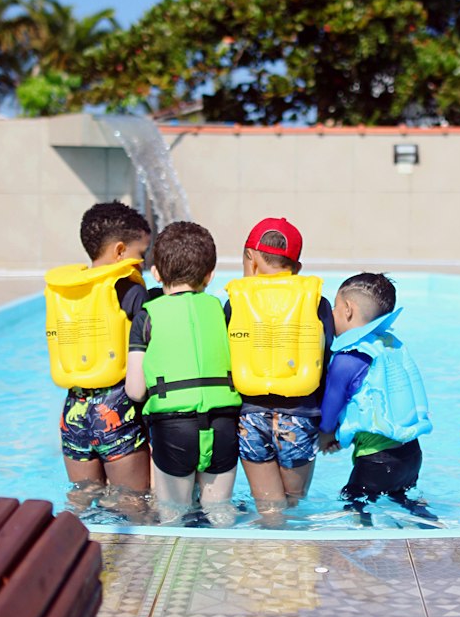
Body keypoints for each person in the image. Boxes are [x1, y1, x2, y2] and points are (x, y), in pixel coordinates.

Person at [125, 221, 241, 524]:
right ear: (210, 275)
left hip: (173, 429)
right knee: (220, 514)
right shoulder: (220, 309)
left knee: (172, 517)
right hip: (223, 424)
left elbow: (135, 390)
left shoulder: (147, 317)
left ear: (156, 274)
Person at [225, 217, 335, 515]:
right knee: (293, 504)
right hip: (300, 416)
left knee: (268, 507)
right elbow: (325, 364)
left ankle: (265, 556)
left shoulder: (236, 301)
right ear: (297, 266)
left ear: (253, 257)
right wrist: (328, 425)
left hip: (251, 415)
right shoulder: (317, 303)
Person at [45, 200, 152, 502]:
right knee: (133, 503)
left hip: (73, 411)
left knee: (82, 500)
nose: (142, 262)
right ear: (119, 251)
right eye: (140, 253)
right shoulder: (128, 289)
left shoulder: (66, 292)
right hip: (116, 408)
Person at [318, 271, 434, 518]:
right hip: (411, 454)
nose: (333, 316)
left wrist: (325, 435)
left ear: (347, 309)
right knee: (405, 502)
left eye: (336, 308)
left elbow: (332, 404)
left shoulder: (349, 358)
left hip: (377, 462)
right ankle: (433, 528)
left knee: (354, 505)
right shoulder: (390, 345)